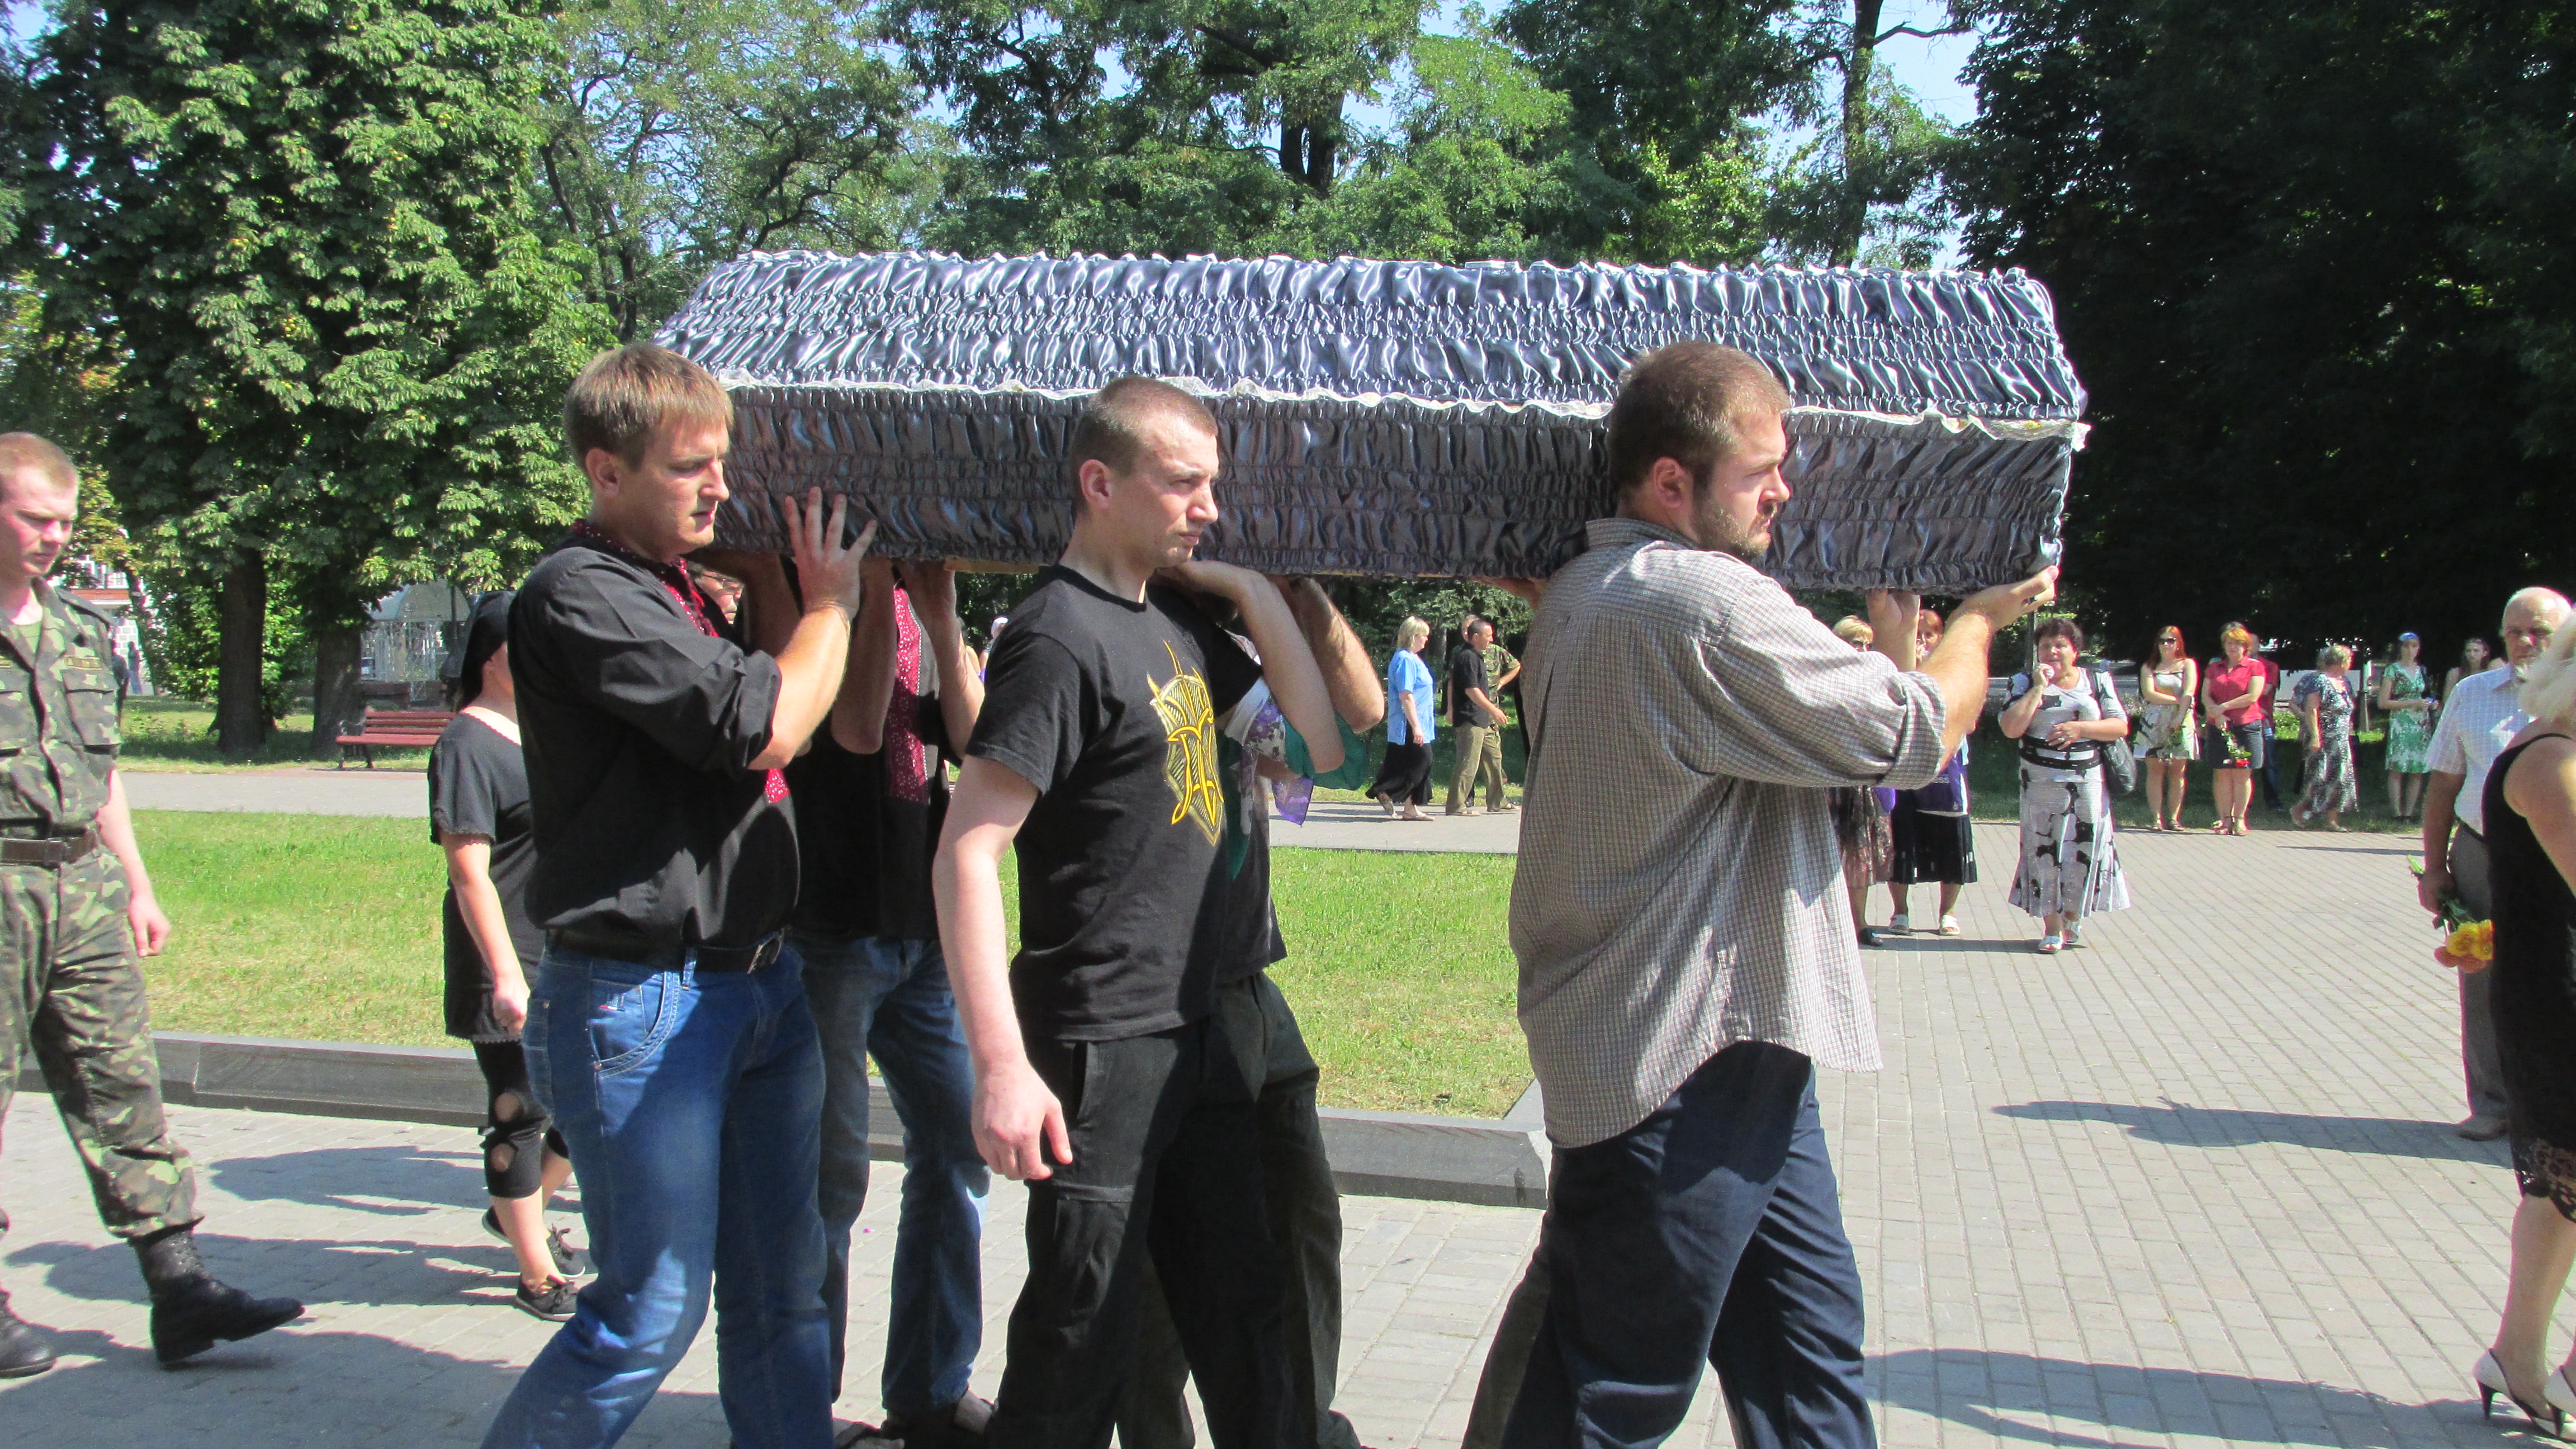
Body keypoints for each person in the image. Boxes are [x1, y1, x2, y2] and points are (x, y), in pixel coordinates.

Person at [1495, 340, 2055, 1449]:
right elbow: (1911, 735)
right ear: (1671, 482)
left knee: (1805, 1359)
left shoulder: (1583, 591)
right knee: (1610, 1396)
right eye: (1759, 472)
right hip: (1678, 1063)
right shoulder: (1693, 601)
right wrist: (1978, 619)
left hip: (1730, 1045)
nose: (1783, 492)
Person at [931, 376, 1345, 1449]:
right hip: (1099, 1046)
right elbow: (967, 850)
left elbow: (1312, 751)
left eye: (1212, 483)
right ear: (1099, 483)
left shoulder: (1174, 622)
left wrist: (1248, 589)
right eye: (1182, 483)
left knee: (1248, 1320)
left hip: (1194, 1030)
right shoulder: (1055, 636)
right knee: (1080, 1340)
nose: (1207, 506)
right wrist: (1000, 1065)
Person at [481, 343, 874, 1449]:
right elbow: (769, 726)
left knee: (784, 1292)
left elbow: (813, 717)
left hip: (759, 989)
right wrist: (830, 599)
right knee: (647, 1312)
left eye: (723, 462)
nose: (718, 487)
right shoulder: (579, 593)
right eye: (688, 467)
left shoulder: (683, 590)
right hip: (642, 1000)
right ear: (605, 472)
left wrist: (790, 586)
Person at [0, 433, 302, 1377]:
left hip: (81, 883)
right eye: (34, 519)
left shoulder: (79, 630)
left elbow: (104, 770)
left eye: (63, 521)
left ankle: (180, 1289)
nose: (54, 537)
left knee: (121, 1081)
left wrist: (137, 881)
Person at [1116, 575, 1384, 1449]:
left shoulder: (1231, 646)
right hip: (1168, 1002)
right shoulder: (1129, 630)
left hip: (1251, 987)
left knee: (1304, 1222)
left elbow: (1352, 736)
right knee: (1167, 1273)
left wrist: (1299, 591)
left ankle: (1295, 1430)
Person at [779, 555, 992, 1449]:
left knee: (959, 1147)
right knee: (828, 1181)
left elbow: (979, 745)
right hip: (829, 932)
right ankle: (798, 1416)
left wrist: (941, 620)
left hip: (921, 930)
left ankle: (931, 1393)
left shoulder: (923, 604)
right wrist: (866, 585)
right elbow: (860, 729)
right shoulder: (809, 595)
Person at [430, 591, 584, 1323]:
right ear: (495, 657)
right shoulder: (466, 744)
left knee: (587, 1103)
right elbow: (469, 873)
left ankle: (518, 1208)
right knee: (520, 1110)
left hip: (566, 947)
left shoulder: (545, 732)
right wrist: (505, 975)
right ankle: (536, 1274)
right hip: (505, 954)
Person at [2468, 621, 2576, 1434]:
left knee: (2560, 1190)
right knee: (2561, 1184)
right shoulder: (2551, 760)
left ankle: (2517, 1358)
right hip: (2559, 997)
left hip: (2551, 990)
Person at [2422, 587, 2573, 1143]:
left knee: (2555, 975)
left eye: (2540, 632)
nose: (2526, 642)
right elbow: (2443, 784)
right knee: (2482, 975)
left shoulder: (2568, 700)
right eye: (2515, 632)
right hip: (2483, 852)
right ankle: (2492, 1102)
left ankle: (2550, 1102)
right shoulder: (2473, 693)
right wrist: (2435, 868)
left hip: (2557, 857)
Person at [2000, 618, 2132, 953]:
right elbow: (2011, 729)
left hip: (2087, 781)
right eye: (2045, 646)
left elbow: (2119, 726)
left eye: (2060, 646)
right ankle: (2052, 927)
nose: (2053, 652)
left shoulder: (2097, 681)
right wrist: (2037, 689)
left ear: (2075, 651)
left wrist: (2081, 729)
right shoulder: (2022, 682)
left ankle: (2073, 913)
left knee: (2083, 848)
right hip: (2040, 783)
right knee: (2044, 850)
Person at [1887, 606, 1977, 934]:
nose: (1923, 641)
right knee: (1901, 838)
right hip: (1905, 767)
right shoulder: (1897, 671)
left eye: (1930, 635)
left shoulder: (1954, 672)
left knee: (1951, 838)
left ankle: (1947, 913)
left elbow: (1969, 721)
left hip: (1946, 769)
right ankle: (1900, 912)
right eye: (1918, 635)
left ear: (1940, 639)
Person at [1829, 617, 1896, 947]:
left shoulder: (1875, 681)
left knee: (1859, 853)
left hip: (1861, 782)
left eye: (1868, 644)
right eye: (1856, 642)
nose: (1863, 649)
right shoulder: (1824, 678)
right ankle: (1829, 926)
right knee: (1827, 853)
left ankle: (1860, 923)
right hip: (1826, 780)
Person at [2201, 623, 2266, 836]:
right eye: (2229, 643)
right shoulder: (2214, 668)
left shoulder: (2255, 667)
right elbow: (2205, 696)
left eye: (2238, 643)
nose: (2233, 647)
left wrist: (2224, 707)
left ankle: (2240, 820)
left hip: (2246, 725)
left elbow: (2253, 696)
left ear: (2246, 646)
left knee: (2242, 775)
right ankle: (2225, 820)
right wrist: (2217, 714)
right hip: (2218, 726)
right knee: (2222, 774)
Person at [1371, 615, 1438, 820]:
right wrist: (1416, 726)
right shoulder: (1405, 660)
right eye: (1423, 636)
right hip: (1408, 721)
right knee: (1422, 761)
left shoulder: (1414, 658)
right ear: (1413, 636)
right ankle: (1385, 791)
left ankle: (1411, 808)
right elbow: (1406, 695)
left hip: (1422, 720)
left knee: (1413, 763)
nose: (1426, 640)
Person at [2135, 626, 2199, 831]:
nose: (2166, 645)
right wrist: (2177, 701)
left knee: (2178, 771)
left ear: (2179, 643)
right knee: (2155, 770)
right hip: (2154, 722)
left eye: (2171, 640)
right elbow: (2149, 694)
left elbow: (2190, 690)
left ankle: (2173, 818)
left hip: (2181, 721)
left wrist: (2179, 716)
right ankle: (2156, 818)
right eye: (2162, 641)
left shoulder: (2188, 664)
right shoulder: (2149, 667)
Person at [2292, 643, 2359, 830]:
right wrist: (2315, 737)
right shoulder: (2319, 681)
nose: (2350, 663)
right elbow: (2312, 710)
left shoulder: (2345, 682)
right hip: (2323, 738)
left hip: (2341, 740)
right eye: (2349, 660)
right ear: (2341, 661)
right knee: (2319, 778)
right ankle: (2300, 809)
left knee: (2341, 779)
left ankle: (2332, 820)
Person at [1447, 618, 1510, 815]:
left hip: (1483, 720)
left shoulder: (1477, 656)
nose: (1491, 639)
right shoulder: (1467, 657)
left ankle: (1497, 800)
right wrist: (1494, 710)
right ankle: (1456, 805)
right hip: (1470, 719)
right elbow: (1471, 690)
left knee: (1494, 759)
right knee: (1469, 763)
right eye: (1488, 636)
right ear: (1476, 637)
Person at [2379, 632, 2436, 821]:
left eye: (2415, 646)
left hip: (2420, 723)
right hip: (2401, 721)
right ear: (2400, 648)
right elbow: (2383, 702)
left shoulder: (2422, 670)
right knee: (2398, 768)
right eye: (2406, 646)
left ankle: (2409, 813)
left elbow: (2428, 694)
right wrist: (2412, 703)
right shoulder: (2393, 670)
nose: (2410, 650)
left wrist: (2431, 703)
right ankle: (2396, 812)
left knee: (2417, 770)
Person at [2449, 635, 2502, 702]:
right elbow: (2448, 699)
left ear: (2485, 653)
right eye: (2468, 651)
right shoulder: (2456, 673)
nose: (2472, 654)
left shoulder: (2489, 673)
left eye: (2476, 651)